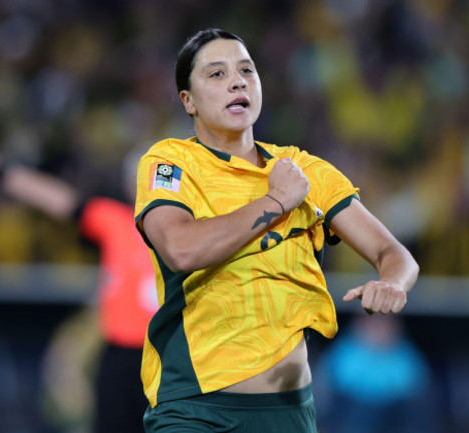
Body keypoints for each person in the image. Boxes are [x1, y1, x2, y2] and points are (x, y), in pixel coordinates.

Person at [134, 28, 419, 433]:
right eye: (216, 74)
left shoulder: (304, 171)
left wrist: (393, 284)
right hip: (195, 413)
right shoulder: (170, 163)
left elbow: (395, 255)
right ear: (188, 101)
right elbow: (180, 249)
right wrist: (276, 202)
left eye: (247, 70)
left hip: (289, 415)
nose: (237, 81)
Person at [0, 132, 157, 433]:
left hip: (168, 360)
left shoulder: (193, 231)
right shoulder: (115, 221)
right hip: (120, 358)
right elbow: (55, 198)